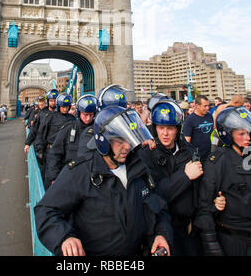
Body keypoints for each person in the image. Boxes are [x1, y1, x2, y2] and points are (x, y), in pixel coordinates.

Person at [34, 105, 173, 257]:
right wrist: (64, 238)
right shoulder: (81, 172)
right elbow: (46, 211)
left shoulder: (140, 169)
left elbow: (159, 208)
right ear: (103, 141)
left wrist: (161, 234)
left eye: (130, 139)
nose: (127, 147)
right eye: (120, 141)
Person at [141, 96, 204, 256]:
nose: (165, 133)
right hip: (162, 228)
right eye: (161, 128)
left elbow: (198, 189)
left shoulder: (188, 151)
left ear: (177, 129)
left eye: (170, 128)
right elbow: (155, 193)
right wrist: (185, 176)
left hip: (188, 227)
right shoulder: (147, 154)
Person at [194, 106, 251, 256]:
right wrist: (213, 248)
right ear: (229, 135)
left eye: (249, 133)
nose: (248, 138)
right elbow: (204, 210)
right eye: (242, 134)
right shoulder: (218, 162)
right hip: (232, 239)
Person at [43, 94, 98, 189]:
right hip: (70, 176)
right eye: (85, 115)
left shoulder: (98, 130)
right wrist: (54, 177)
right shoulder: (69, 128)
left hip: (91, 178)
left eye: (91, 115)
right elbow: (55, 154)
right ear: (79, 113)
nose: (88, 118)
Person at [183, 95, 213, 161]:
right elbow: (187, 142)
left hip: (210, 156)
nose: (208, 108)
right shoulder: (190, 120)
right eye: (205, 106)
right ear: (197, 106)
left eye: (208, 105)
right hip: (198, 158)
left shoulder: (209, 116)